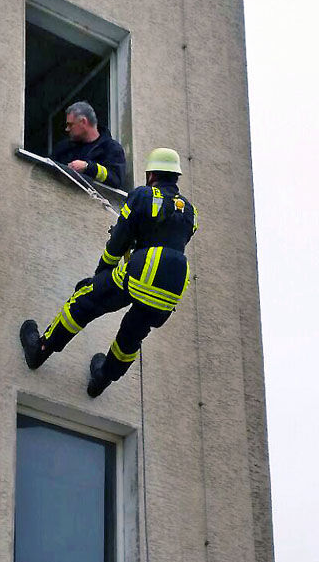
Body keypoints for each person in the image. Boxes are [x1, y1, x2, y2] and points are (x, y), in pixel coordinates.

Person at [20, 147, 198, 397]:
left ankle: (40, 349)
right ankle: (102, 379)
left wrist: (101, 273)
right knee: (132, 335)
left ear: (151, 174)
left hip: (143, 272)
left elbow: (119, 240)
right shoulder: (191, 213)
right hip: (171, 289)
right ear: (176, 176)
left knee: (86, 301)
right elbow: (165, 238)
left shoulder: (142, 196)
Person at [53, 101, 126, 190]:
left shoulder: (111, 148)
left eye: (70, 125)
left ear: (83, 122)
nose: (67, 129)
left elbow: (116, 180)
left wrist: (88, 167)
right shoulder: (64, 148)